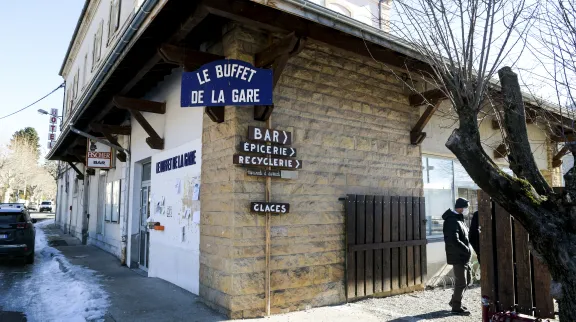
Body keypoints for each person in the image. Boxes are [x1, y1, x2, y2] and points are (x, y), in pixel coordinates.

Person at [442, 198, 472, 315]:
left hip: (464, 256)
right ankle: (456, 307)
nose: (467, 210)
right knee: (461, 282)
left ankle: (454, 301)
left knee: (468, 281)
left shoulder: (459, 219)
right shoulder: (452, 220)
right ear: (460, 208)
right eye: (466, 207)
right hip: (458, 256)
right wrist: (466, 249)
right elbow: (453, 239)